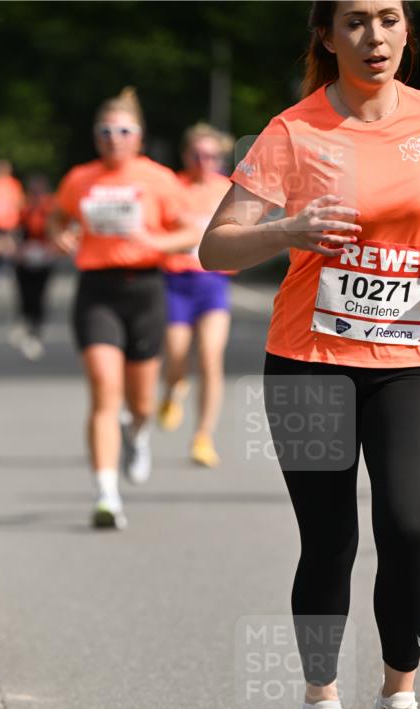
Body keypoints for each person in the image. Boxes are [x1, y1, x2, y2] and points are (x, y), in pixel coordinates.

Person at [200, 0, 420, 709]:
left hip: (409, 360)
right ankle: (320, 707)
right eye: (355, 21)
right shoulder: (294, 132)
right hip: (308, 360)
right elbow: (214, 248)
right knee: (329, 542)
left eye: (388, 18)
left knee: (412, 528)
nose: (374, 36)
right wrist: (286, 231)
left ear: (407, 31)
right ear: (326, 38)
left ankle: (398, 700)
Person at [50, 87, 200, 529]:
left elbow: (191, 232)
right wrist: (60, 234)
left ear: (139, 136)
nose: (113, 139)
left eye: (123, 131)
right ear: (95, 137)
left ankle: (137, 432)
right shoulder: (80, 178)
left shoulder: (158, 178)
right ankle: (106, 494)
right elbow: (57, 216)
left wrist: (155, 241)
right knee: (103, 390)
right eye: (105, 132)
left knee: (140, 402)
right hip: (97, 291)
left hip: (146, 290)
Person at [159, 124, 234, 467]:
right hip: (177, 281)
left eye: (211, 156)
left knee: (210, 356)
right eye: (197, 155)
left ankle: (203, 436)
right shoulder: (173, 187)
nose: (204, 161)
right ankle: (173, 388)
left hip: (213, 283)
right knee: (176, 354)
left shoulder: (228, 189)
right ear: (185, 155)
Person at [9, 174, 57, 361]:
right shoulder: (25, 209)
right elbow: (17, 231)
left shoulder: (50, 209)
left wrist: (51, 250)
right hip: (25, 257)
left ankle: (36, 329)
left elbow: (54, 232)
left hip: (43, 257)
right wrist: (17, 250)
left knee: (40, 294)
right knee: (24, 293)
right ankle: (25, 321)